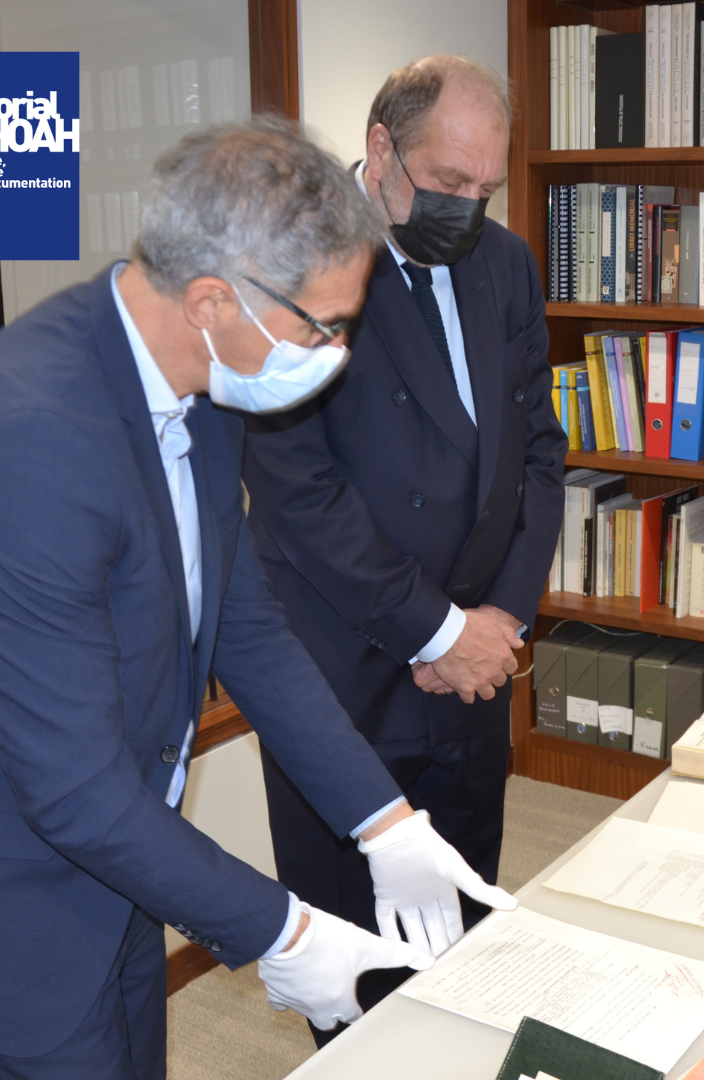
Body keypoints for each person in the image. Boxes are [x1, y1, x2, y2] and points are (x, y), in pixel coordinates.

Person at [0, 118, 515, 1080]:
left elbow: (246, 626)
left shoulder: (200, 378)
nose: (334, 353)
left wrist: (383, 820)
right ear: (211, 300)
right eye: (320, 327)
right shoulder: (22, 441)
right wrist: (283, 931)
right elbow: (71, 789)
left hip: (121, 866)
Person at [242, 57, 567, 1043]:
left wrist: (498, 622)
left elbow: (538, 451)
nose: (468, 207)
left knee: (464, 941)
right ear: (381, 149)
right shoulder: (293, 263)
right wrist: (439, 634)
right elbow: (300, 491)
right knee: (360, 977)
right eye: (447, 182)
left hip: (476, 676)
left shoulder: (506, 263)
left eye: (485, 187)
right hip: (352, 676)